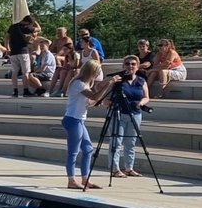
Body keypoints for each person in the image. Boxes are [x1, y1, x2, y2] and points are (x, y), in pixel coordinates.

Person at [63, 57, 108, 191]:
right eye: (97, 70)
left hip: (79, 119)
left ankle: (85, 178)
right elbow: (94, 96)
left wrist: (98, 102)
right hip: (73, 119)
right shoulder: (79, 83)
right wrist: (108, 84)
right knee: (73, 151)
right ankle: (71, 180)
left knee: (88, 149)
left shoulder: (86, 84)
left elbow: (89, 101)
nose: (99, 73)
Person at [105, 54, 150, 179]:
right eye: (127, 64)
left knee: (131, 142)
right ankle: (115, 168)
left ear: (138, 66)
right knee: (116, 141)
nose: (130, 66)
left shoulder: (141, 81)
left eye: (133, 64)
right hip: (118, 113)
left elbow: (146, 97)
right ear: (123, 66)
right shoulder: (118, 80)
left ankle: (129, 168)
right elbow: (104, 95)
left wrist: (141, 103)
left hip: (135, 113)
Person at [7, 14, 39, 98]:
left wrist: (8, 48)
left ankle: (15, 91)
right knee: (26, 72)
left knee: (14, 72)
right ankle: (26, 90)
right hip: (23, 51)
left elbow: (6, 37)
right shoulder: (26, 28)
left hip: (13, 52)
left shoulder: (13, 27)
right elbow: (39, 29)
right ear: (29, 22)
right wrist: (35, 22)